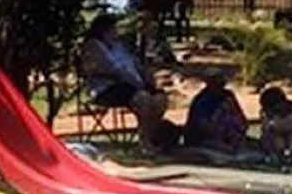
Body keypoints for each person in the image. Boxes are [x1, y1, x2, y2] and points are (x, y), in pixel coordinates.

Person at [80, 13, 168, 153]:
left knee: (160, 98)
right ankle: (145, 142)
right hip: (107, 88)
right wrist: (122, 76)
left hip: (132, 84)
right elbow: (101, 69)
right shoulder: (94, 46)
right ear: (104, 30)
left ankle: (151, 135)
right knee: (143, 98)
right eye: (113, 29)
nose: (116, 31)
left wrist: (145, 74)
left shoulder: (119, 46)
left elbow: (135, 64)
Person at [185, 72, 249, 152]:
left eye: (222, 83)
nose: (220, 86)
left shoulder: (227, 96)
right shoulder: (203, 100)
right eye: (217, 83)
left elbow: (241, 119)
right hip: (204, 140)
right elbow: (203, 126)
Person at [257, 85, 292, 158]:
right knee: (277, 139)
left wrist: (281, 124)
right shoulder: (266, 113)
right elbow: (268, 127)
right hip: (274, 137)